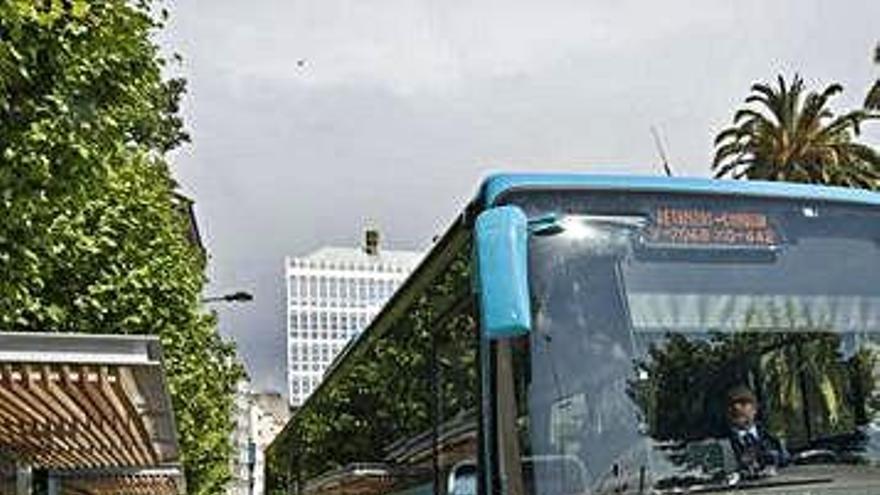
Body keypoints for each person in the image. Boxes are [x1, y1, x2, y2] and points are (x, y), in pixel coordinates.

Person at [726, 385, 790, 476]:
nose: (737, 408)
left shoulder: (771, 438)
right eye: (731, 405)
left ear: (755, 409)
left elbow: (787, 460)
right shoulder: (722, 443)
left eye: (743, 403)